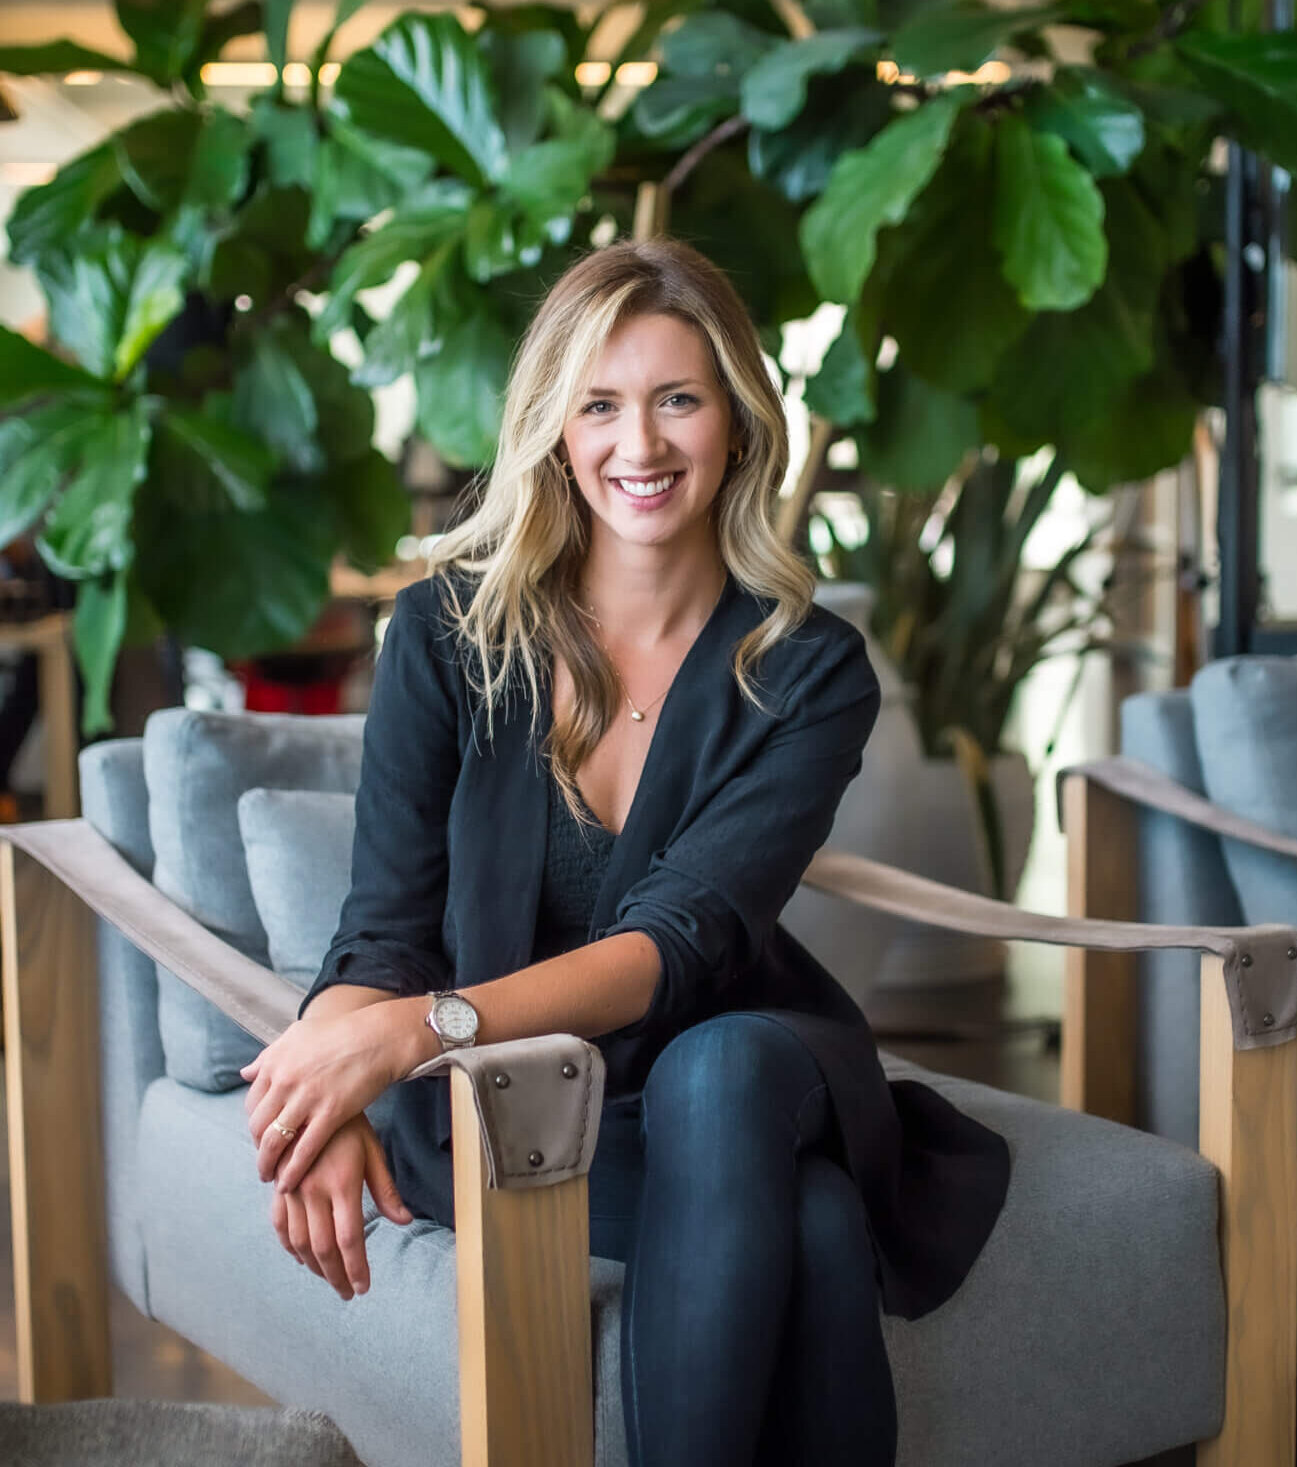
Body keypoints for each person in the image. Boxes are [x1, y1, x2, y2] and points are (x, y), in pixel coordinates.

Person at [237, 236, 1011, 1467]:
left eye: (677, 400)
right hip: (511, 1103)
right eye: (599, 404)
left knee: (722, 1070)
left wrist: (414, 1030)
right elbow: (382, 923)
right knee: (812, 1224)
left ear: (740, 421)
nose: (638, 447)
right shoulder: (447, 637)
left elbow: (681, 940)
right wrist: (326, 1089)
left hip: (725, 1067)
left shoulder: (808, 672)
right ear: (553, 426)